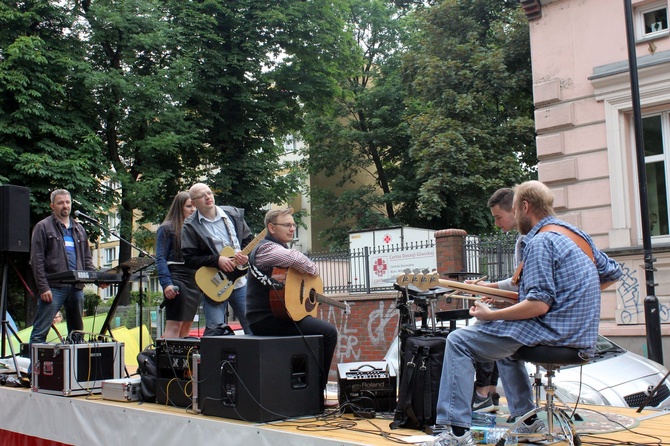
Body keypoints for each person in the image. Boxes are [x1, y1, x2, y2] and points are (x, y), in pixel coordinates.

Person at [432, 180, 622, 446]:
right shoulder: (575, 235)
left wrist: (489, 315)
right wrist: (573, 297)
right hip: (580, 335)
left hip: (554, 333)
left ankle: (456, 432)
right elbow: (613, 271)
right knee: (501, 346)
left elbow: (539, 305)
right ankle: (528, 420)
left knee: (459, 340)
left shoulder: (540, 242)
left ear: (524, 206)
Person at [245, 208, 338, 398]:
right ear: (271, 227)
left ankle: (306, 388)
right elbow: (295, 259)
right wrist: (311, 268)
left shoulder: (278, 248)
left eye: (293, 225)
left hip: (279, 316)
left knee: (317, 333)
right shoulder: (265, 248)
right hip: (266, 319)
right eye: (287, 225)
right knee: (328, 333)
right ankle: (317, 393)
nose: (292, 229)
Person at [29, 189, 108, 348]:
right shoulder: (43, 227)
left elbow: (87, 260)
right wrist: (43, 287)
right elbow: (36, 260)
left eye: (67, 202)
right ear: (52, 206)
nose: (65, 206)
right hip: (53, 287)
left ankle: (76, 371)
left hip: (76, 287)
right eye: (60, 203)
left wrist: (97, 279)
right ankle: (34, 372)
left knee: (77, 334)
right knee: (40, 332)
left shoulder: (79, 229)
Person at [470, 188, 521, 412]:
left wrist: (493, 312)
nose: (497, 224)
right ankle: (516, 407)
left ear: (518, 209)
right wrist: (494, 292)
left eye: (499, 217)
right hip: (541, 320)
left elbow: (537, 299)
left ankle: (459, 417)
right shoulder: (529, 238)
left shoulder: (531, 240)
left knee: (469, 336)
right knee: (495, 336)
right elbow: (521, 284)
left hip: (541, 325)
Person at [181, 183, 253, 334]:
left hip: (239, 281)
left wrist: (245, 256)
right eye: (201, 196)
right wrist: (217, 260)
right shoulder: (190, 226)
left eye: (209, 193)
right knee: (215, 332)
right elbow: (189, 259)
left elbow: (248, 240)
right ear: (193, 203)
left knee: (253, 327)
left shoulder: (232, 214)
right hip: (214, 283)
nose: (207, 197)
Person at [156, 191, 199, 338]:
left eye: (194, 206)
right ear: (179, 207)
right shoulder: (166, 228)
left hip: (194, 279)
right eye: (189, 206)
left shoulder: (196, 229)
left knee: (187, 326)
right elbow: (160, 258)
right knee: (175, 325)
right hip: (177, 277)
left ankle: (182, 360)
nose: (193, 210)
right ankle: (164, 359)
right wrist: (166, 283)